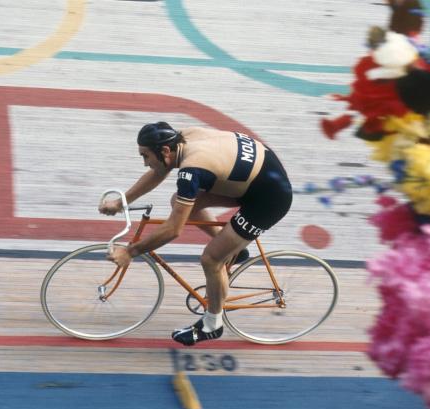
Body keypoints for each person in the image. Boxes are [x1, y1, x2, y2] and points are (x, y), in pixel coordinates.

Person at [99, 122, 293, 346]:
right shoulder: (181, 138)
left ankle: (213, 324)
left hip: (269, 199)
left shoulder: (192, 169)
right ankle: (234, 252)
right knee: (179, 201)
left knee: (211, 259)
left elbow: (173, 229)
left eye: (145, 156)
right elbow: (159, 170)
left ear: (164, 151)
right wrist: (122, 203)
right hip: (256, 177)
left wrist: (131, 252)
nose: (145, 164)